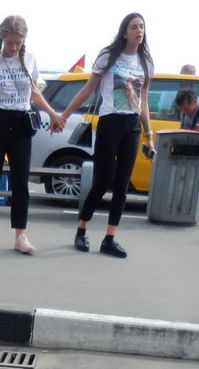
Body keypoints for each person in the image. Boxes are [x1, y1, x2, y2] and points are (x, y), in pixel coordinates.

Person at [59, 12, 155, 258]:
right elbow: (87, 89)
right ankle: (82, 230)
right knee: (101, 182)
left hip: (131, 125)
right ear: (124, 32)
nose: (139, 31)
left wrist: (149, 136)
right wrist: (64, 115)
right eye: (134, 27)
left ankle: (109, 238)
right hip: (110, 122)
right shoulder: (108, 56)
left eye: (141, 27)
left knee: (122, 185)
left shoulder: (146, 61)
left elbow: (143, 102)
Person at [0, 15, 65, 253]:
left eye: (17, 43)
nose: (13, 47)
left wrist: (53, 114)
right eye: (9, 42)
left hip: (21, 121)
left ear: (24, 41)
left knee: (20, 180)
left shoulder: (30, 59)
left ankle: (20, 235)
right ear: (2, 39)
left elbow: (34, 93)